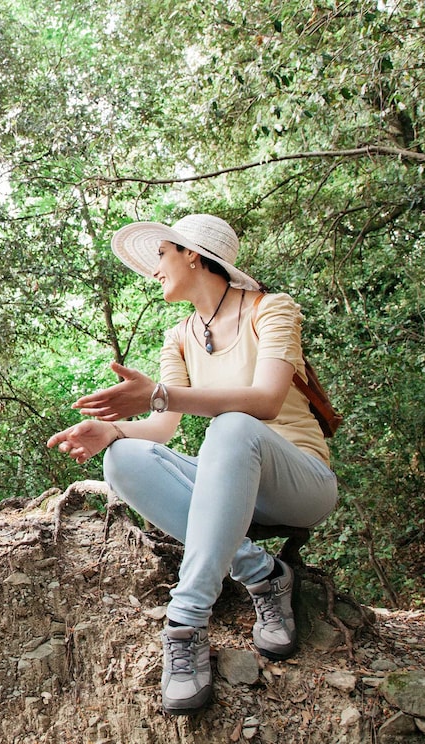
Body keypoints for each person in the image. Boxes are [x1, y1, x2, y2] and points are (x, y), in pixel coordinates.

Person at [47, 214, 338, 715]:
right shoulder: (178, 336)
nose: (153, 270)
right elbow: (162, 429)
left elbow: (265, 402)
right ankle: (263, 573)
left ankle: (185, 620)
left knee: (232, 424)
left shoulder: (271, 310)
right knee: (123, 458)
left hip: (300, 480)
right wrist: (112, 430)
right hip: (230, 485)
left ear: (193, 255)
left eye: (161, 255)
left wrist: (157, 395)